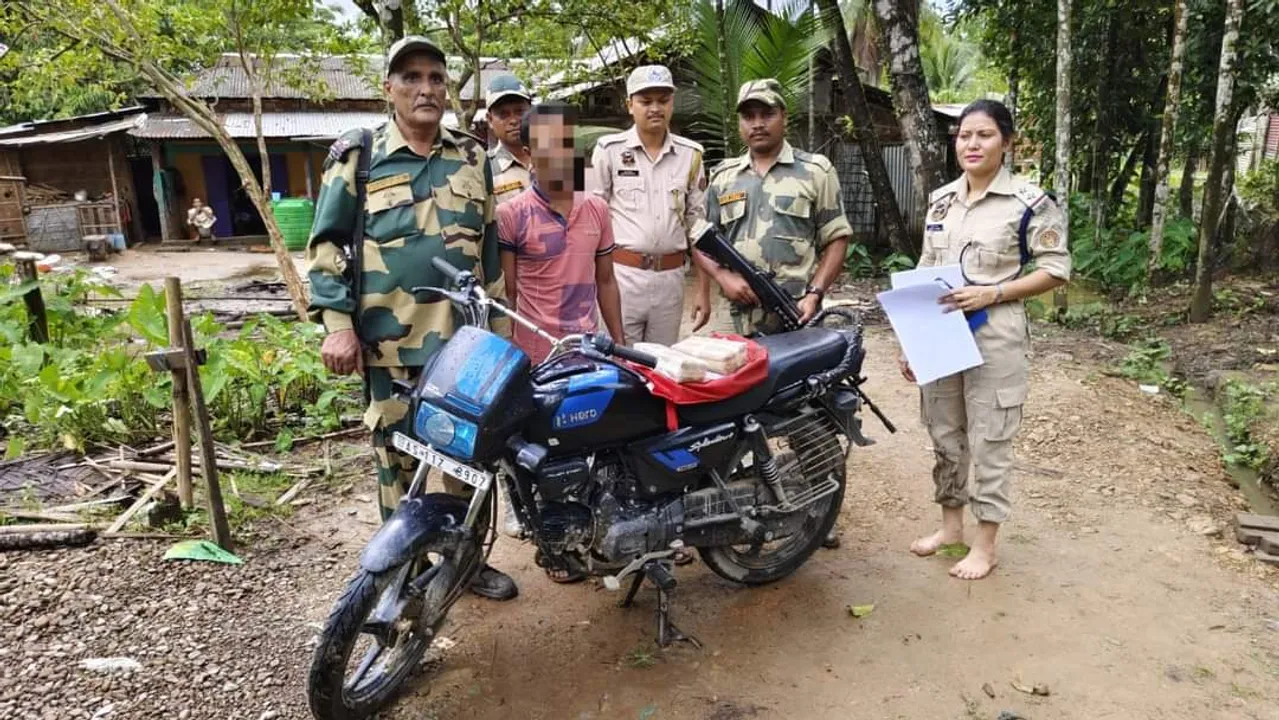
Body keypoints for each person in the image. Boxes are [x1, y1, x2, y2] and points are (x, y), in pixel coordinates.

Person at [305, 35, 518, 601]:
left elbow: (489, 248)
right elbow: (326, 246)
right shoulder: (360, 155)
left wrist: (503, 337)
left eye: (436, 78)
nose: (426, 88)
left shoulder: (472, 155)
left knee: (470, 464)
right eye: (411, 77)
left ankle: (467, 563)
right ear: (389, 89)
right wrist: (338, 326)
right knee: (399, 468)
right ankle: (403, 577)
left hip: (467, 348)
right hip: (391, 349)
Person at [902, 99, 1070, 580]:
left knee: (990, 437)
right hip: (940, 331)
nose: (971, 144)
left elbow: (1057, 270)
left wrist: (992, 292)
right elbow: (924, 270)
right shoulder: (941, 200)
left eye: (984, 135)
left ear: (1007, 142)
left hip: (995, 334)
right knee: (945, 434)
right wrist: (912, 340)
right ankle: (950, 527)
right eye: (963, 136)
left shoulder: (1030, 203)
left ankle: (985, 543)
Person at [696, 78, 853, 549]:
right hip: (736, 321)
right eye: (748, 114)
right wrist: (723, 279)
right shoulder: (723, 177)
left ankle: (819, 511)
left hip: (795, 317)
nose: (757, 123)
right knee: (720, 415)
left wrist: (815, 294)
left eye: (766, 113)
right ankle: (718, 507)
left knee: (808, 413)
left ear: (784, 117)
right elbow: (699, 241)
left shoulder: (814, 171)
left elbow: (837, 236)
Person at [497, 104, 625, 365]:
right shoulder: (510, 214)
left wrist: (620, 345)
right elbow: (508, 294)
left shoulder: (597, 209)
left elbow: (606, 281)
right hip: (535, 357)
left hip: (588, 351)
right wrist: (508, 357)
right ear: (529, 153)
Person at [591, 65, 709, 346]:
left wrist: (703, 289)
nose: (655, 108)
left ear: (672, 103)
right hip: (621, 277)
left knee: (662, 367)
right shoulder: (608, 151)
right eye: (646, 101)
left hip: (671, 280)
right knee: (619, 366)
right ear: (629, 105)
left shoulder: (691, 156)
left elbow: (699, 226)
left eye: (663, 100)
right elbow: (591, 221)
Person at [486, 74, 534, 205]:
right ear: (490, 120)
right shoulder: (484, 169)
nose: (513, 120)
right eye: (503, 114)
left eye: (520, 112)